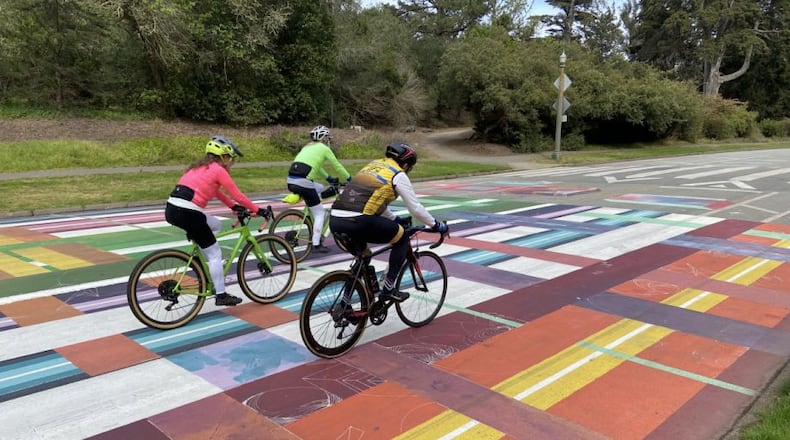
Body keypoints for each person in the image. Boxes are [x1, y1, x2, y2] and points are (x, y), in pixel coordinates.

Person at [329, 141, 449, 302]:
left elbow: (374, 203)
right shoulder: (398, 174)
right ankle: (389, 289)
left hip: (335, 219)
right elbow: (415, 208)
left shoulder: (373, 165)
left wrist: (395, 219)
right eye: (410, 167)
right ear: (405, 165)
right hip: (358, 220)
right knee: (402, 237)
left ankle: (345, 302)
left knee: (364, 256)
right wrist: (437, 225)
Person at [165, 135, 269, 307]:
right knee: (214, 254)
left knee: (216, 224)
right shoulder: (219, 170)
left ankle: (201, 259)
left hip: (172, 209)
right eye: (230, 158)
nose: (231, 162)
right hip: (189, 212)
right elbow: (238, 195)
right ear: (224, 157)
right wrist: (258, 210)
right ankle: (221, 295)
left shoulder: (197, 167)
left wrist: (232, 206)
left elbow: (216, 192)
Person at [286, 125, 351, 253]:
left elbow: (318, 167)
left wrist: (329, 178)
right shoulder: (324, 149)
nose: (328, 140)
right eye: (327, 137)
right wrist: (350, 179)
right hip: (304, 183)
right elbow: (337, 166)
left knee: (320, 187)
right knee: (319, 213)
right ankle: (316, 244)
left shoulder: (307, 147)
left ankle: (314, 204)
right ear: (323, 137)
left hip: (291, 180)